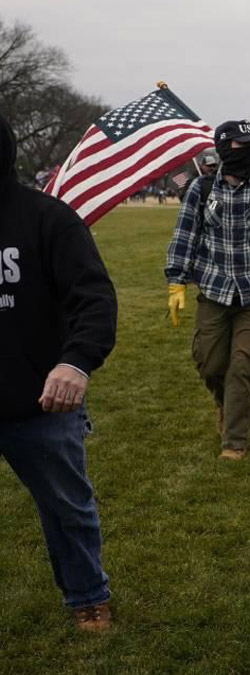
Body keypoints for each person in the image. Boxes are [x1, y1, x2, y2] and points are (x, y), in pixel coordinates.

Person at [0, 112, 119, 631]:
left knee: (66, 506)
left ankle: (87, 595)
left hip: (40, 402)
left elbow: (94, 299)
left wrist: (75, 362)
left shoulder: (47, 218)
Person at [164, 119, 250, 460]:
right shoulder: (201, 188)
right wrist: (176, 281)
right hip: (214, 290)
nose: (249, 151)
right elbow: (185, 235)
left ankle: (235, 441)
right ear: (224, 148)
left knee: (242, 366)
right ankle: (225, 405)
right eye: (243, 144)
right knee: (211, 365)